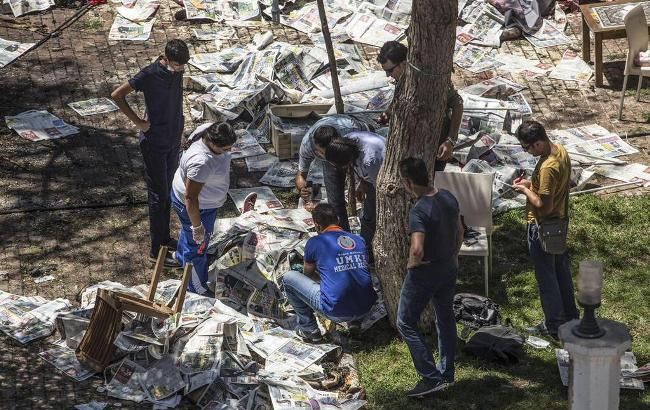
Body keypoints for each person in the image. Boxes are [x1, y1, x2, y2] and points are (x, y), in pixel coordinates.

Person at [111, 39, 190, 268]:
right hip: (154, 142)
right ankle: (157, 250)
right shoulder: (149, 74)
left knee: (169, 192)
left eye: (183, 65)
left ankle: (165, 239)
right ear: (165, 59)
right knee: (158, 196)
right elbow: (117, 94)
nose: (180, 69)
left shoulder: (177, 72)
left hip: (172, 138)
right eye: (176, 65)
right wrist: (138, 122)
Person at [397, 157, 464, 398]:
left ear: (408, 182)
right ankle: (447, 373)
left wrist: (411, 263)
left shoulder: (419, 210)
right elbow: (460, 230)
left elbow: (417, 249)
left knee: (405, 322)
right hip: (448, 266)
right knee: (445, 318)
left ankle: (430, 376)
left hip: (425, 272)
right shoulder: (447, 196)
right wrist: (453, 254)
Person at [513, 120, 578, 339]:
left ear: (538, 143)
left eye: (526, 147)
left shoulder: (548, 167)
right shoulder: (560, 150)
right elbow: (555, 190)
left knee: (547, 279)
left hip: (542, 227)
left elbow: (543, 206)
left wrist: (524, 191)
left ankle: (554, 326)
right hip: (559, 224)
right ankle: (570, 317)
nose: (526, 151)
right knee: (561, 273)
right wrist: (532, 185)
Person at [282, 203, 377, 343]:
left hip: (336, 311)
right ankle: (355, 323)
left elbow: (307, 276)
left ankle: (309, 329)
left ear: (317, 225)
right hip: (366, 307)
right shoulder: (359, 240)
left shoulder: (315, 242)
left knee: (288, 278)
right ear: (337, 219)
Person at [170, 122, 236, 295]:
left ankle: (180, 256)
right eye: (225, 149)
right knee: (197, 248)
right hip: (198, 208)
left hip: (203, 202)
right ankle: (196, 287)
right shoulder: (201, 162)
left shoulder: (208, 128)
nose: (229, 151)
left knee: (188, 233)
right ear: (213, 143)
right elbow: (191, 198)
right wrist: (197, 227)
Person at [376, 41, 464, 171]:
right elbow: (398, 99)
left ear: (404, 63)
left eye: (390, 70)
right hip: (409, 149)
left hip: (433, 148)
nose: (389, 75)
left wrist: (450, 141)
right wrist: (388, 113)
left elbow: (458, 104)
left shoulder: (430, 80)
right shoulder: (401, 79)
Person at [295, 115, 369, 232]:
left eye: (329, 154)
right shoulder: (307, 145)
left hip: (356, 150)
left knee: (368, 195)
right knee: (335, 200)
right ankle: (341, 234)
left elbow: (367, 155)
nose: (327, 158)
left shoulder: (351, 133)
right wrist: (302, 188)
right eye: (321, 153)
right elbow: (301, 174)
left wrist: (361, 181)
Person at [324, 131, 385, 249]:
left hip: (380, 179)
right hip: (372, 175)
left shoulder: (370, 161)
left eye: (337, 166)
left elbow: (379, 190)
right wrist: (362, 182)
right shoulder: (347, 141)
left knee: (369, 214)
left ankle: (365, 248)